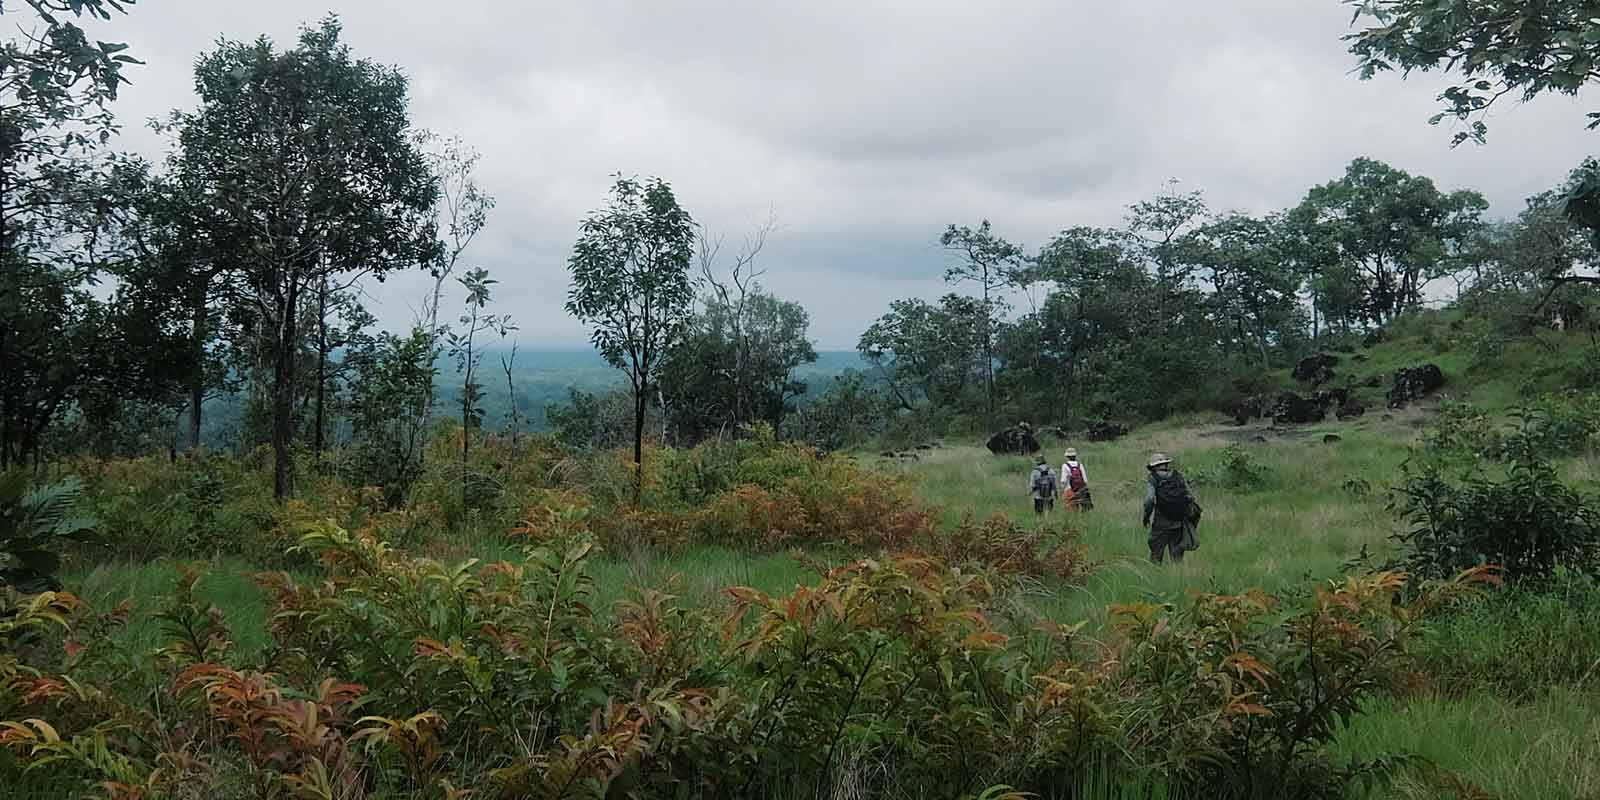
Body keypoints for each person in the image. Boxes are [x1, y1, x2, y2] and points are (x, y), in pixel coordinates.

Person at [1142, 452, 1199, 563]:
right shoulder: (1178, 476)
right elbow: (1191, 497)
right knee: (1177, 557)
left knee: (1155, 555)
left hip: (1160, 522)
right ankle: (1177, 577)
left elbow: (1149, 500)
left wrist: (1146, 517)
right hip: (1179, 521)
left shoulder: (1153, 478)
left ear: (1153, 466)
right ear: (1166, 464)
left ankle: (1154, 577)